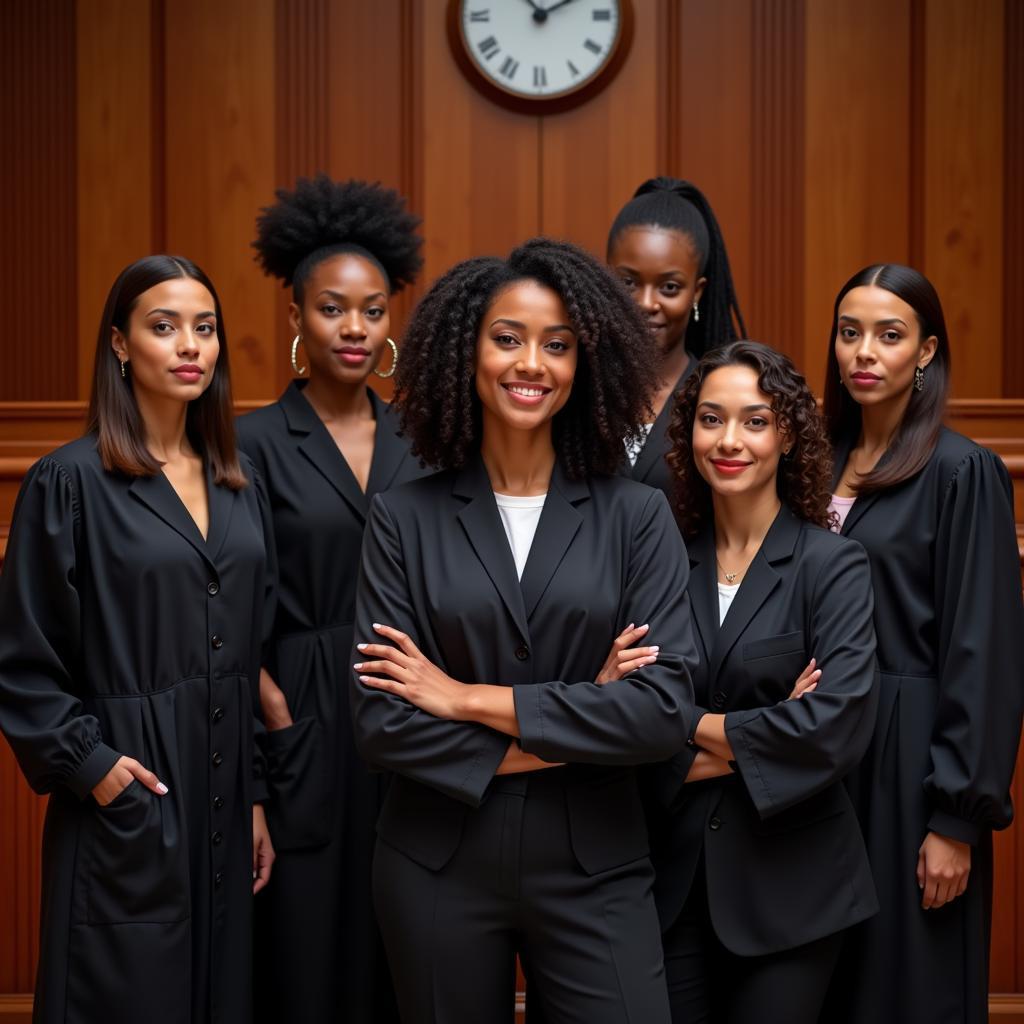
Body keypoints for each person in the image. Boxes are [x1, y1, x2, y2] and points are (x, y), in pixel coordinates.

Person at [349, 238, 699, 1023]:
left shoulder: (636, 516)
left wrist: (466, 698)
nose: (531, 363)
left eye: (558, 344)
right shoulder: (403, 516)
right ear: (464, 350)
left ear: (587, 364)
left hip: (596, 865)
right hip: (435, 863)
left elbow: (662, 711)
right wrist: (581, 714)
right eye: (507, 338)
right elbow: (381, 724)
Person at [0, 255, 275, 1024]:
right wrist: (93, 768)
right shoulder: (69, 482)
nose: (190, 345)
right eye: (164, 327)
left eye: (205, 328)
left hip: (224, 799)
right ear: (120, 345)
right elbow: (21, 660)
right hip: (132, 787)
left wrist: (252, 796)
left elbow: (248, 652)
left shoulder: (238, 479)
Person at [604, 341, 878, 1023]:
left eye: (755, 421)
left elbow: (834, 727)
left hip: (794, 891)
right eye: (711, 418)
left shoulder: (833, 566)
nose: (730, 441)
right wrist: (764, 730)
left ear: (788, 436)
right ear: (688, 431)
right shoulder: (657, 562)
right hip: (666, 884)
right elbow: (620, 727)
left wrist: (684, 721)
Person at [237, 173, 425, 1023]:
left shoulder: (421, 442)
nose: (355, 328)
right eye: (333, 308)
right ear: (296, 318)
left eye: (374, 309)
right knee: (304, 952)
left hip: (408, 706)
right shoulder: (251, 444)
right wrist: (275, 715)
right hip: (304, 707)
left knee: (405, 940)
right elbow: (234, 607)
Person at [819, 264, 1024, 1024]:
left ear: (927, 351)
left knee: (909, 988)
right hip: (822, 753)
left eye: (889, 334)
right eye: (849, 333)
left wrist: (956, 819)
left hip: (912, 764)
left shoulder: (961, 471)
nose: (863, 352)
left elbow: (985, 651)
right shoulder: (815, 461)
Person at [607, 177, 746, 501]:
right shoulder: (576, 390)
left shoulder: (716, 396)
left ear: (696, 291)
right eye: (628, 282)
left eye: (669, 287)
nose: (646, 303)